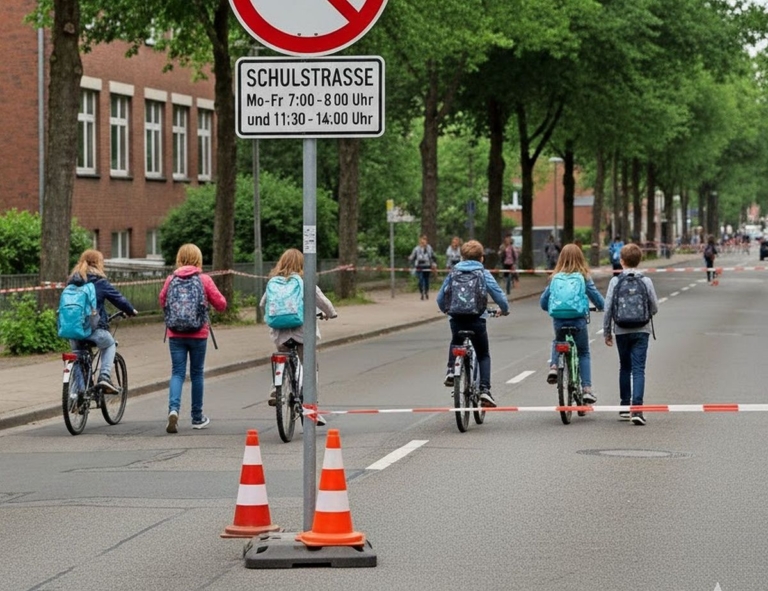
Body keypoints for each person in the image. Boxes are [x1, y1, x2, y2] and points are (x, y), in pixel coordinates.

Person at [260, 248, 337, 426]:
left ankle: (276, 389)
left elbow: (262, 303)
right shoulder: (304, 283)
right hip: (303, 333)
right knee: (310, 366)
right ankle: (311, 407)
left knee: (282, 358)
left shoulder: (274, 283)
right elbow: (323, 302)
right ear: (302, 265)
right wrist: (331, 314)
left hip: (280, 334)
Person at [159, 244, 227, 433]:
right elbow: (221, 303)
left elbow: (162, 299)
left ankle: (173, 410)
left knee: (177, 373)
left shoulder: (171, 279)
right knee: (197, 373)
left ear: (179, 259)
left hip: (175, 333)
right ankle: (197, 417)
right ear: (198, 259)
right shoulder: (204, 279)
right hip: (198, 333)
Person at [436, 240, 509, 408]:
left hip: (456, 318)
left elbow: (440, 298)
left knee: (456, 341)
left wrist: (446, 310)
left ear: (462, 257)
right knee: (483, 354)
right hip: (477, 320)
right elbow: (498, 295)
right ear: (481, 258)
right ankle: (484, 390)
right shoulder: (483, 273)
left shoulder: (453, 273)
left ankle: (450, 371)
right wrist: (504, 310)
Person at [540, 244, 605, 404]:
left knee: (558, 341)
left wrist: (548, 307)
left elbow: (543, 301)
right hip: (578, 319)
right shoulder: (583, 277)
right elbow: (595, 296)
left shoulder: (555, 277)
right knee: (583, 352)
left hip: (559, 320)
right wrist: (602, 306)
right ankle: (587, 389)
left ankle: (554, 367)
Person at [66, 249, 138, 393]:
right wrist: (131, 310)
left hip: (72, 330)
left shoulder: (72, 282)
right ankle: (104, 376)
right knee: (110, 344)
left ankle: (77, 394)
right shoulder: (99, 282)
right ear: (98, 263)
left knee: (78, 356)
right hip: (93, 330)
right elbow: (119, 299)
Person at [603, 243, 659, 425]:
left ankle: (624, 406)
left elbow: (608, 308)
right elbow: (655, 307)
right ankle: (637, 409)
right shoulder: (646, 281)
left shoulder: (615, 281)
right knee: (639, 369)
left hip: (621, 330)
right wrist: (644, 314)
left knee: (624, 367)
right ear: (640, 260)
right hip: (642, 330)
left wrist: (607, 332)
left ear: (621, 261)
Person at [409, 235, 437, 300]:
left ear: (426, 241)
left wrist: (434, 264)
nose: (423, 242)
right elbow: (412, 257)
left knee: (426, 280)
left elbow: (433, 256)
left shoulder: (429, 248)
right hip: (419, 266)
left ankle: (426, 292)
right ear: (420, 241)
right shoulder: (416, 248)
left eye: (424, 240)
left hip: (427, 265)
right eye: (422, 240)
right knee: (420, 280)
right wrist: (410, 258)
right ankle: (421, 293)